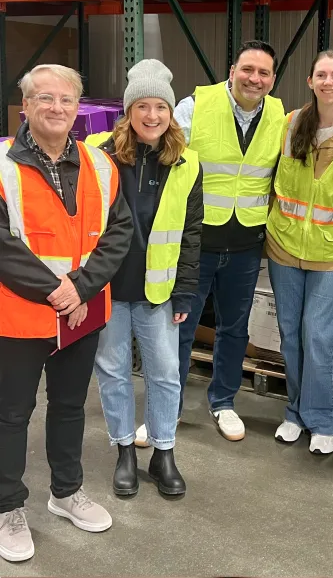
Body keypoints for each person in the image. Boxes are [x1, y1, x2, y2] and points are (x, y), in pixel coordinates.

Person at [0, 64, 133, 563]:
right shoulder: (2, 166)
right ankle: (7, 506)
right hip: (19, 316)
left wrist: (79, 288)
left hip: (81, 313)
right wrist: (56, 290)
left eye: (67, 100)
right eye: (45, 98)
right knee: (11, 414)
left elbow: (119, 232)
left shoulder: (100, 165)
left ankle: (66, 491)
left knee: (71, 407)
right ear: (26, 105)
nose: (57, 108)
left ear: (78, 108)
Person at [163, 40, 285, 444]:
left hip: (246, 242)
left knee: (235, 328)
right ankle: (169, 406)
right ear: (232, 70)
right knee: (181, 326)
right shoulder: (195, 106)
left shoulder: (279, 116)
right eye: (248, 69)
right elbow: (166, 158)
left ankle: (223, 401)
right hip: (196, 241)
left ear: (272, 79)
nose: (255, 78)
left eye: (264, 72)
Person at [91, 60, 203, 498]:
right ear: (129, 110)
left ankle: (163, 452)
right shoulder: (100, 155)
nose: (152, 115)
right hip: (109, 287)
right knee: (114, 371)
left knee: (164, 375)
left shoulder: (187, 163)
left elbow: (192, 233)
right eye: (143, 105)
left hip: (159, 289)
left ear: (171, 112)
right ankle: (124, 451)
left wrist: (186, 291)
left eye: (161, 106)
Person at [266, 51, 333, 455]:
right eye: (320, 75)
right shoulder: (291, 124)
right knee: (290, 334)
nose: (328, 81)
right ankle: (294, 412)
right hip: (284, 247)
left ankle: (323, 418)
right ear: (310, 81)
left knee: (319, 335)